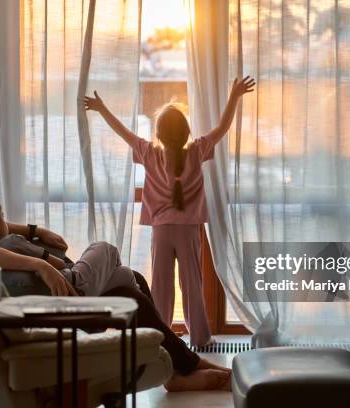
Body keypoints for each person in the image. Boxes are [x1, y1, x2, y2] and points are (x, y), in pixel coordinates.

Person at [0, 126, 232, 391]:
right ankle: (179, 369)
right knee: (111, 257)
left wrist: (34, 230)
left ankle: (174, 370)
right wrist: (39, 262)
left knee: (131, 283)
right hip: (39, 303)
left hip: (39, 294)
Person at [84, 76, 256, 346]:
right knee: (192, 285)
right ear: (186, 132)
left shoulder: (149, 153)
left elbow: (122, 132)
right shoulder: (197, 151)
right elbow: (223, 127)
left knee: (161, 287)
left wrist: (101, 107)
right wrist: (234, 95)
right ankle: (200, 337)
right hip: (188, 231)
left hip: (161, 230)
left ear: (159, 134)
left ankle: (161, 339)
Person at [0, 194, 138, 296]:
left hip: (56, 294)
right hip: (72, 283)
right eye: (3, 216)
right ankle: (89, 294)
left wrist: (38, 233)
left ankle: (143, 340)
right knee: (104, 247)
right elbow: (58, 264)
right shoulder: (11, 241)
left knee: (125, 274)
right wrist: (48, 255)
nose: (7, 222)